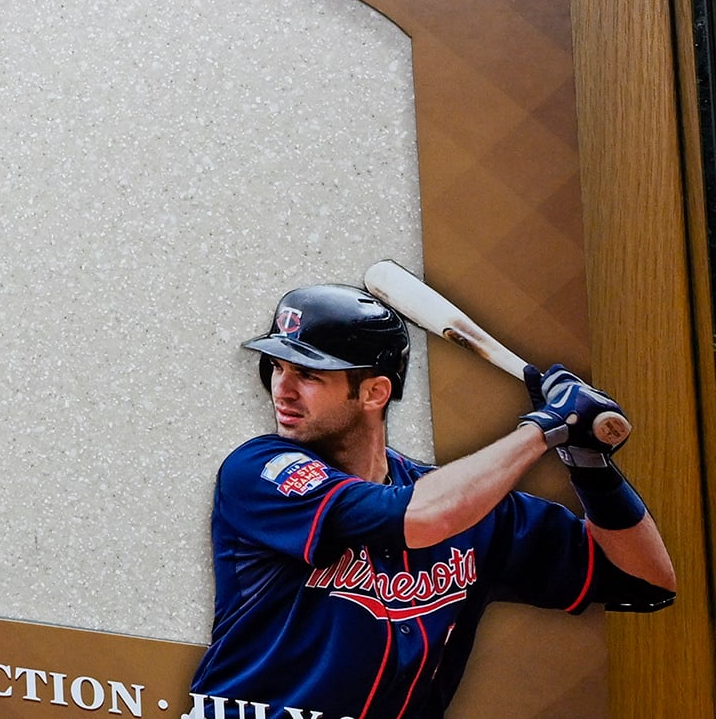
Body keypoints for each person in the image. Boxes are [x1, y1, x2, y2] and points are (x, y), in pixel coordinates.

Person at [190, 285, 674, 716]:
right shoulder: (259, 470)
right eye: (277, 367)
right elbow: (419, 518)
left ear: (375, 392)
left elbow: (646, 579)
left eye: (309, 375)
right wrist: (545, 427)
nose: (283, 389)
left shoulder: (473, 507)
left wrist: (588, 463)